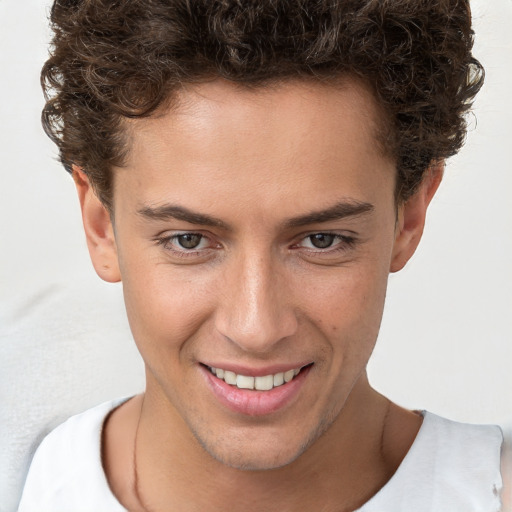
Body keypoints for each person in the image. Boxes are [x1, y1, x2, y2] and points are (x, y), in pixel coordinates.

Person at [17, 0, 506, 510]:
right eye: (189, 240)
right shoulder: (29, 482)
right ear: (101, 226)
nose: (255, 328)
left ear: (409, 217)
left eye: (322, 240)